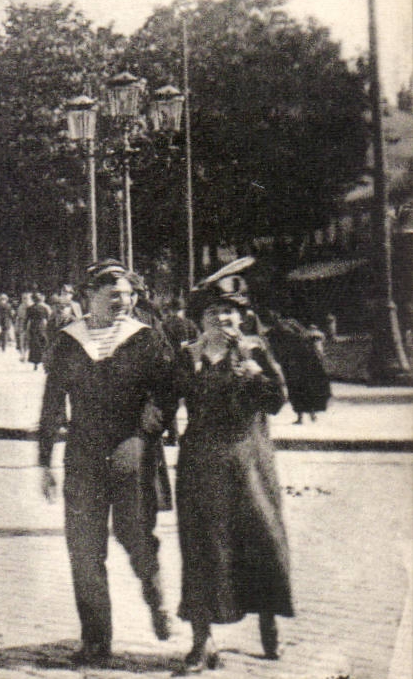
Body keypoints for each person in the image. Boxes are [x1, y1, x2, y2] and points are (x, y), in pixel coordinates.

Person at [37, 259, 176, 665]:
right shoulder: (67, 342)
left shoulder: (147, 338)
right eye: (112, 294)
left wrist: (144, 434)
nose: (122, 301)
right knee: (84, 548)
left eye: (128, 294)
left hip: (131, 454)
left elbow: (168, 390)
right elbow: (51, 403)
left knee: (134, 536)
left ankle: (156, 597)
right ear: (89, 297)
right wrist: (45, 460)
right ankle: (96, 640)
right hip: (83, 454)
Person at [171, 267, 293, 670]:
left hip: (251, 462)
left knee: (262, 540)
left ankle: (268, 622)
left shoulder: (256, 350)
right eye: (213, 314)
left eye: (229, 314)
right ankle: (201, 640)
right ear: (200, 320)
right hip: (202, 466)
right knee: (203, 549)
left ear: (241, 318)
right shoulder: (188, 357)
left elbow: (277, 401)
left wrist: (253, 369)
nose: (222, 321)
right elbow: (163, 403)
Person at [267, 316, 331, 424]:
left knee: (296, 389)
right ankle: (310, 414)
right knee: (303, 389)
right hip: (298, 364)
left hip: (293, 364)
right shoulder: (297, 331)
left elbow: (277, 349)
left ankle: (303, 416)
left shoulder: (280, 330)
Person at [26, 292, 52, 371]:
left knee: (34, 345)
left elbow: (27, 320)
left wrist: (26, 329)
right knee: (43, 344)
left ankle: (35, 363)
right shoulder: (44, 308)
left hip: (33, 327)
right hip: (41, 327)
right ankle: (44, 362)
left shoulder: (29, 308)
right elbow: (47, 319)